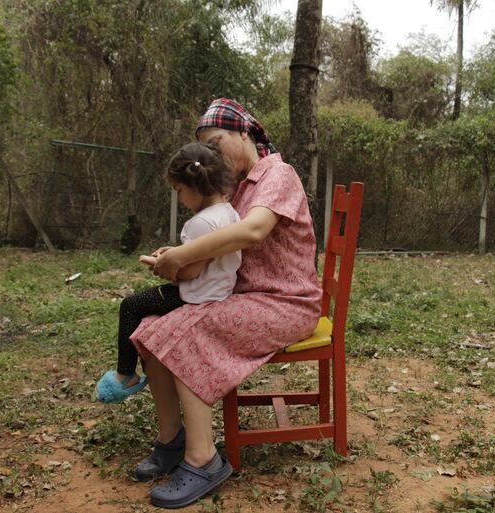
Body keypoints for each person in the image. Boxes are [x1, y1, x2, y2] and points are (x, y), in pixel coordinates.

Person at [130, 98, 322, 509]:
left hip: (286, 303)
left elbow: (252, 232)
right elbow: (219, 242)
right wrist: (181, 252)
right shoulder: (236, 188)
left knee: (188, 330)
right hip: (248, 297)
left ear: (244, 132)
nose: (214, 156)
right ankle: (172, 439)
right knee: (148, 329)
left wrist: (182, 258)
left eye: (216, 143)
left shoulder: (277, 174)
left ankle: (204, 460)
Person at [94, 142, 241, 403]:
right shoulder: (228, 213)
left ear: (195, 187)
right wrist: (175, 252)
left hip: (195, 296)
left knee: (131, 305)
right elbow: (206, 257)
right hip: (219, 292)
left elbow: (190, 271)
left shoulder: (201, 222)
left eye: (179, 190)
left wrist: (162, 265)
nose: (180, 199)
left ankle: (124, 375)